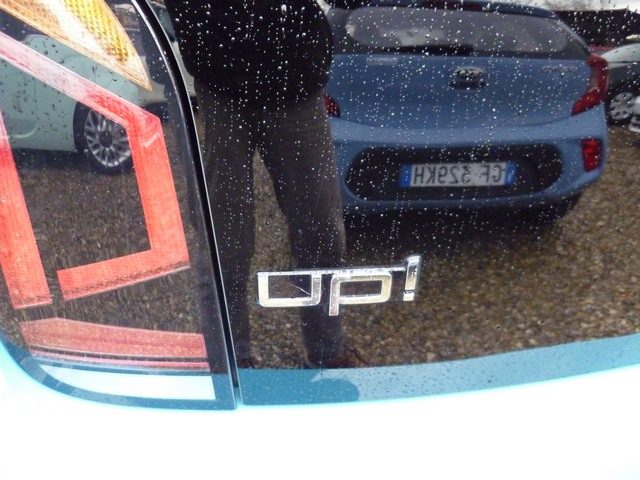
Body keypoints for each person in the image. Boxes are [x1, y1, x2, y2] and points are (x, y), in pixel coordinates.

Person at [165, 0, 364, 368]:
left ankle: (327, 351)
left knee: (321, 228)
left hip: (295, 81)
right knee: (223, 238)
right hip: (220, 83)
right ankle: (229, 360)